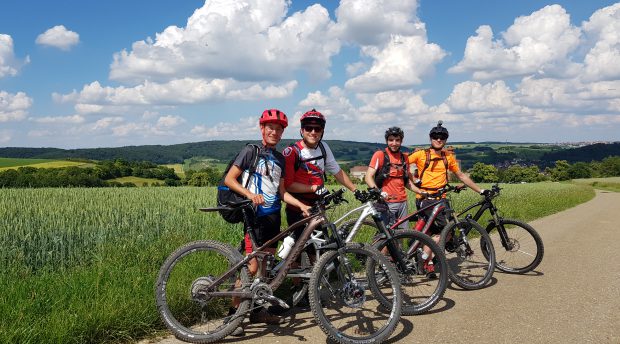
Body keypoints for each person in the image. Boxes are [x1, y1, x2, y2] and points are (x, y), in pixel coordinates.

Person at [224, 108, 310, 335]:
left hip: (273, 216)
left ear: (282, 133)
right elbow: (230, 179)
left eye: (279, 129)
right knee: (251, 267)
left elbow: (282, 192)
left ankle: (256, 312)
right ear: (262, 128)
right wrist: (249, 195)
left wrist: (301, 205)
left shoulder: (280, 158)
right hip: (254, 217)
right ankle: (232, 317)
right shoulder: (250, 151)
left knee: (264, 269)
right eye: (270, 127)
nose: (274, 131)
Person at [408, 121, 488, 277]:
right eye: (436, 137)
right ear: (431, 138)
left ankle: (427, 261)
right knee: (446, 231)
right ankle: (426, 259)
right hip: (426, 199)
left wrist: (480, 190)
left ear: (446, 140)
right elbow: (403, 166)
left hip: (441, 198)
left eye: (442, 137)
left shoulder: (448, 157)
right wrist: (414, 180)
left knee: (434, 232)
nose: (439, 140)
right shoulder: (421, 154)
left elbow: (461, 175)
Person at [283, 108, 359, 231]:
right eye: (308, 128)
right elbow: (288, 185)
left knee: (321, 246)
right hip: (298, 207)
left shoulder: (323, 147)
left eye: (317, 129)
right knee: (298, 245)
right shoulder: (293, 152)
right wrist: (314, 188)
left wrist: (355, 190)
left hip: (318, 206)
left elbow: (337, 171)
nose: (313, 132)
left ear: (322, 131)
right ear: (302, 130)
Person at [365, 126, 425, 230]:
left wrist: (420, 191)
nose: (394, 143)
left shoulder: (404, 158)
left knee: (402, 234)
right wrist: (378, 192)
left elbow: (406, 182)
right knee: (385, 237)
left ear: (401, 141)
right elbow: (368, 177)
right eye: (391, 140)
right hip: (385, 202)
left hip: (402, 203)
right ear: (386, 141)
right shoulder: (380, 155)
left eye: (397, 140)